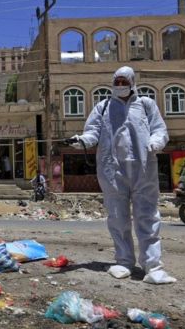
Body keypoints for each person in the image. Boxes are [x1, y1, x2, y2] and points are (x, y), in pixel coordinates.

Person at [70, 66, 176, 284]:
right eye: (117, 82)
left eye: (124, 81)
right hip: (112, 170)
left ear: (132, 81)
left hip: (143, 169)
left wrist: (156, 142)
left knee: (147, 216)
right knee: (118, 218)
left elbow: (160, 130)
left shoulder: (146, 105)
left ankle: (153, 266)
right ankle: (124, 261)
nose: (120, 86)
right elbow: (93, 133)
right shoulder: (103, 107)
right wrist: (81, 141)